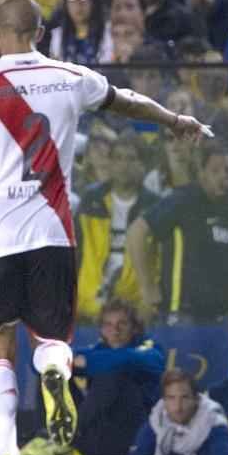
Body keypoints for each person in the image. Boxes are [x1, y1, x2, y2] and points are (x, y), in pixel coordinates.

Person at [0, 0, 213, 455]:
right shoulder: (71, 77)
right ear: (40, 33)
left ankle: (5, 451)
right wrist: (175, 120)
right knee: (51, 339)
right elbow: (127, 101)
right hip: (52, 234)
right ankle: (56, 374)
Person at [125, 144, 228, 324]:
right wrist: (147, 288)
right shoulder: (185, 199)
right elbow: (136, 232)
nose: (223, 176)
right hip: (181, 314)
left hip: (221, 317)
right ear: (201, 174)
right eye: (215, 171)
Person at [65, 299, 165, 455]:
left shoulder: (151, 349)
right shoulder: (99, 349)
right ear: (101, 329)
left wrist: (87, 362)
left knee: (113, 372)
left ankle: (68, 435)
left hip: (135, 436)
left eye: (122, 324)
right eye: (108, 325)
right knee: (53, 372)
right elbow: (38, 364)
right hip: (96, 434)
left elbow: (128, 359)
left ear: (134, 327)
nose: (115, 330)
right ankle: (53, 438)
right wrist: (60, 361)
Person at [74, 134, 159, 320]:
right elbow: (75, 252)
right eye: (118, 158)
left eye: (131, 158)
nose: (123, 164)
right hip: (88, 307)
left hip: (134, 309)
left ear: (143, 165)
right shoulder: (91, 200)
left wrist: (150, 303)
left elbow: (160, 262)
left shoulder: (154, 206)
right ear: (110, 163)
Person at [128, 369, 228, 455]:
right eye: (171, 398)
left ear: (196, 399)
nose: (178, 407)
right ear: (164, 401)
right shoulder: (157, 421)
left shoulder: (214, 424)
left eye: (184, 398)